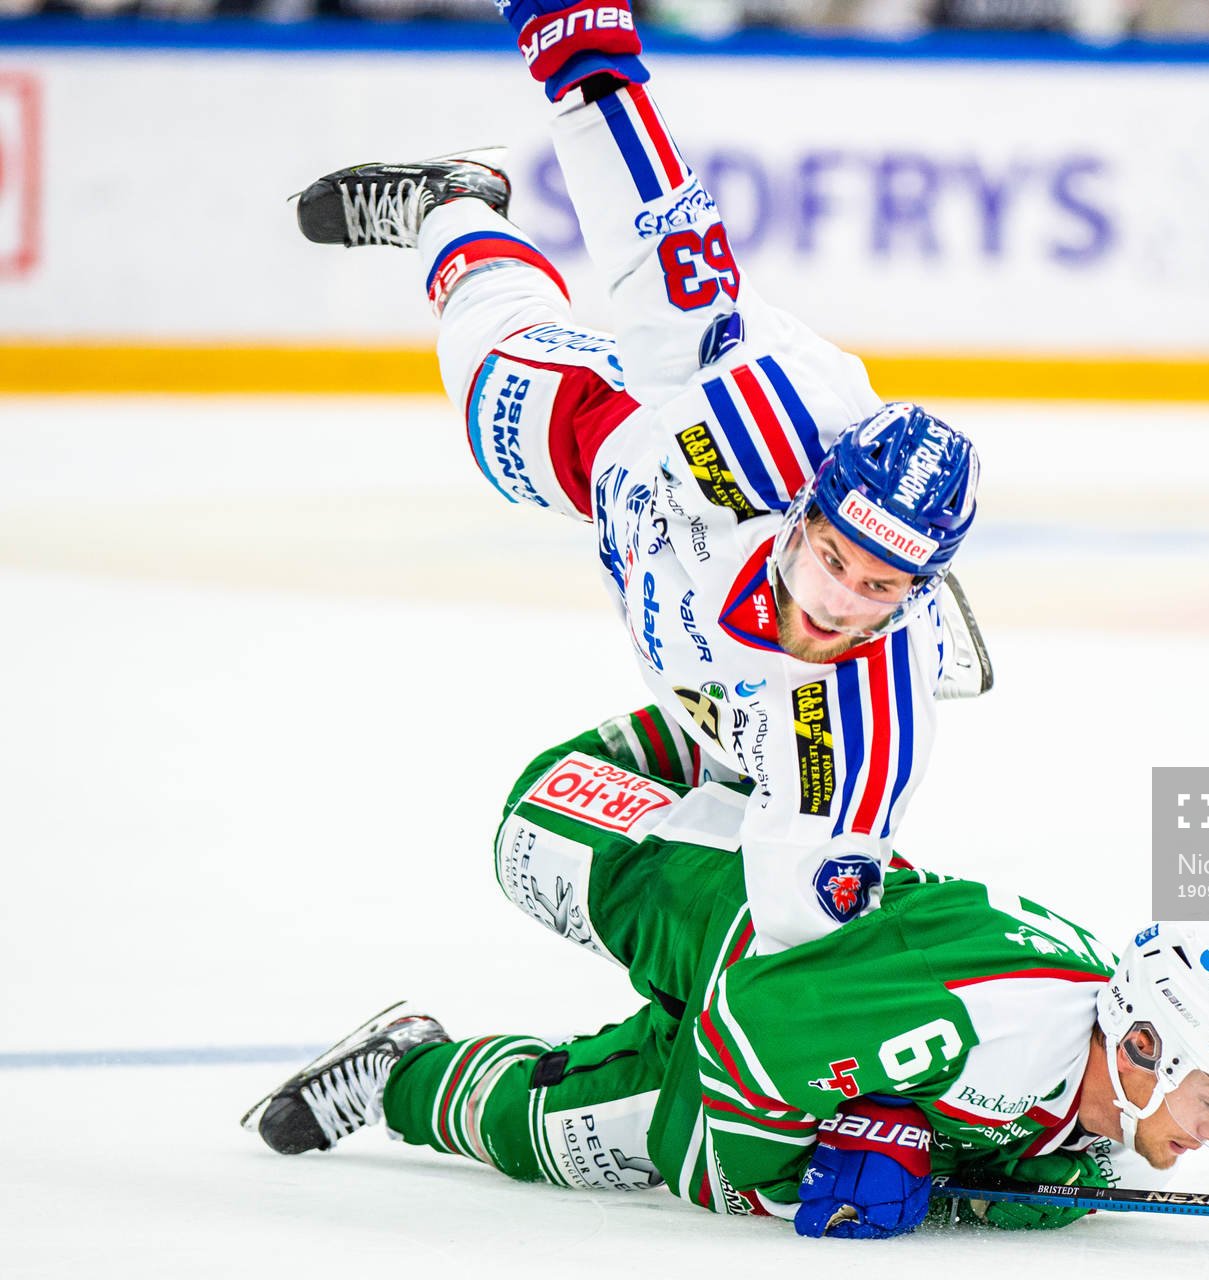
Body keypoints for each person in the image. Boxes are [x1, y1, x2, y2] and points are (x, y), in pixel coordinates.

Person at [290, 0, 990, 954]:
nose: (837, 603)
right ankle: (449, 205)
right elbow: (667, 258)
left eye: (879, 586)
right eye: (835, 557)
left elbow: (804, 931)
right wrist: (587, 61)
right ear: (800, 513)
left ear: (916, 598)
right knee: (490, 395)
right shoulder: (754, 433)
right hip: (625, 456)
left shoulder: (865, 724)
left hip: (733, 704)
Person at [242, 709, 1209, 1238]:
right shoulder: (988, 1026)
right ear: (1142, 1046)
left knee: (550, 1134)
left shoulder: (1087, 1092)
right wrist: (791, 1176)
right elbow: (751, 1039)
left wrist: (925, 1165)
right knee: (532, 832)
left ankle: (392, 1071)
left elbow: (1016, 1165)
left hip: (784, 1023)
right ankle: (723, 721)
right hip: (739, 914)